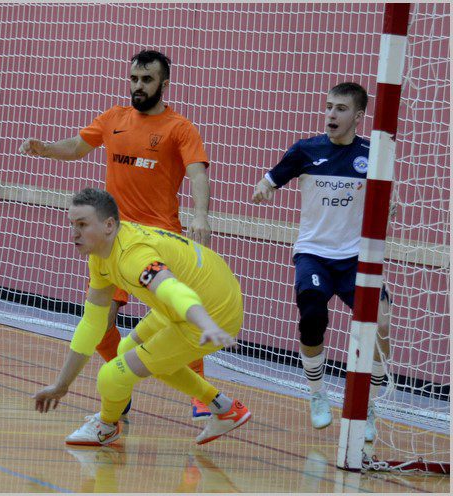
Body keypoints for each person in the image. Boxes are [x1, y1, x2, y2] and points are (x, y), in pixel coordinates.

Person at [20, 50, 213, 420]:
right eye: (134, 79)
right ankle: (118, 387)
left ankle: (203, 395)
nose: (138, 86)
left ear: (164, 84)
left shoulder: (180, 128)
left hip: (160, 240)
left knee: (181, 315)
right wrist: (46, 149)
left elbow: (197, 173)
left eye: (147, 80)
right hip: (115, 240)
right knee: (101, 320)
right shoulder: (113, 118)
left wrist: (201, 214)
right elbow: (76, 147)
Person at [32, 188, 251, 447]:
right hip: (201, 293)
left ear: (109, 225)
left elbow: (171, 288)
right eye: (72, 224)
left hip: (210, 313)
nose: (74, 233)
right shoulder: (101, 253)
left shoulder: (133, 256)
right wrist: (61, 384)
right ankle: (224, 408)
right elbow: (92, 323)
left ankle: (107, 426)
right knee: (126, 350)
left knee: (111, 376)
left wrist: (205, 323)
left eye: (82, 224)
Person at [252, 82, 390, 442]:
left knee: (381, 322)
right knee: (312, 314)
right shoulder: (306, 150)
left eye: (340, 109)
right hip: (314, 253)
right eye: (329, 106)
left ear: (358, 116)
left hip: (356, 257)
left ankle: (368, 406)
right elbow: (270, 179)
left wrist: (389, 207)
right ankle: (317, 394)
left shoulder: (372, 155)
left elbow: (385, 200)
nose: (331, 114)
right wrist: (264, 189)